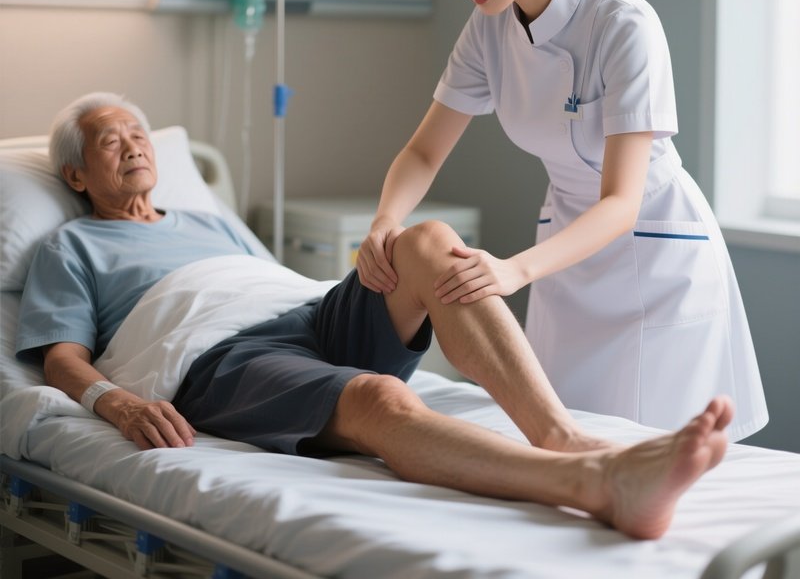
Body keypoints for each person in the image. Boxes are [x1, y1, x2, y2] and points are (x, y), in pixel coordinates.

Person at [15, 91, 734, 541]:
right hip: (218, 358)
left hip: (308, 311)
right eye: (111, 140)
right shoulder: (72, 244)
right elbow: (60, 359)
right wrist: (118, 403)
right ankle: (597, 488)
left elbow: (266, 277)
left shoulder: (209, 219)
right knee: (378, 396)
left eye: (138, 133)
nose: (136, 145)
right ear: (76, 176)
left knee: (427, 241)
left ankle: (562, 438)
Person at [356, 0, 768, 441]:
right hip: (564, 258)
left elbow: (621, 202)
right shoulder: (488, 29)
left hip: (650, 254)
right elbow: (423, 149)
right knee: (564, 438)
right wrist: (385, 220)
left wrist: (515, 271)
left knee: (655, 444)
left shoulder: (622, 23)